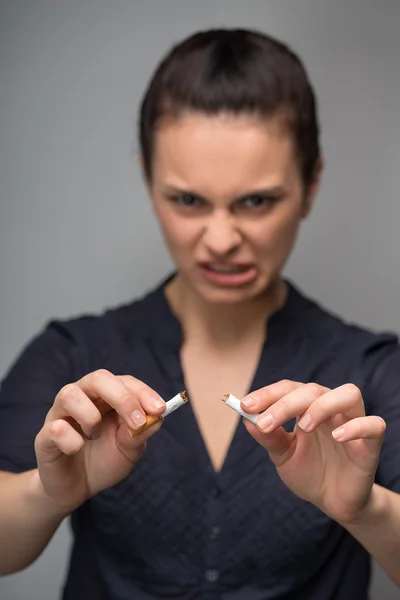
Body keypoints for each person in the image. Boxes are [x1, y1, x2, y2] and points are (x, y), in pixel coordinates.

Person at [0, 27, 399, 600]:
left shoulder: (372, 369)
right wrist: (48, 493)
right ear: (148, 180)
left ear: (310, 186)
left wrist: (368, 510)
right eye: (188, 200)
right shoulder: (72, 354)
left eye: (256, 201)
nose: (219, 239)